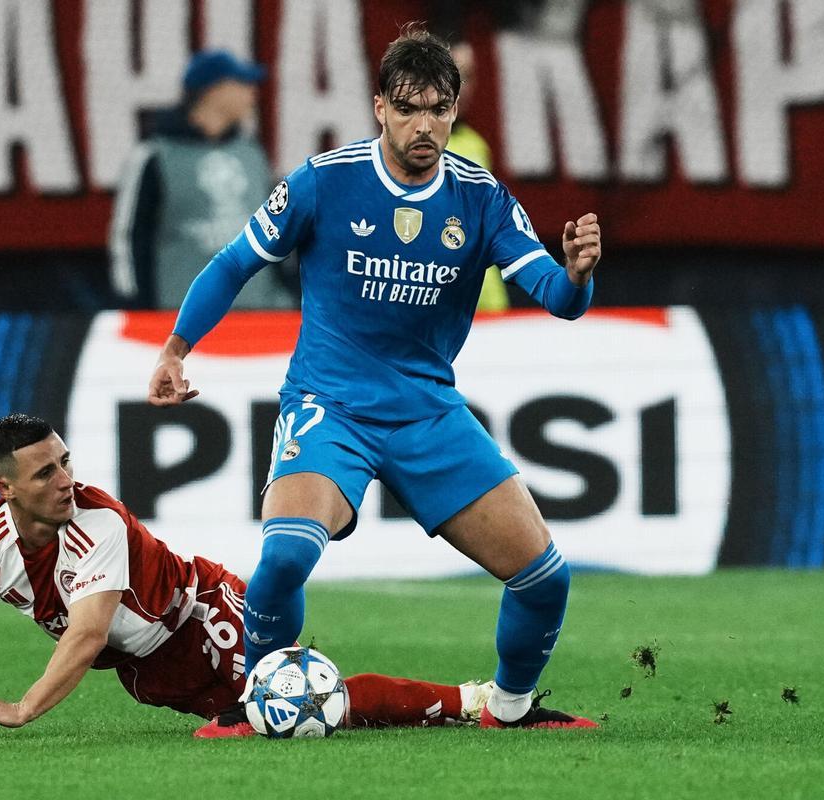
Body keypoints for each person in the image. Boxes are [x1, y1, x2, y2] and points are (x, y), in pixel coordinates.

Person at [148, 25, 602, 729]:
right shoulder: (325, 181)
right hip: (331, 407)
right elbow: (236, 261)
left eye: (440, 109)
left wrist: (575, 277)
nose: (426, 125)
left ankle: (509, 710)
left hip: (428, 415)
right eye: (410, 107)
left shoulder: (480, 197)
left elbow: (556, 297)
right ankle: (250, 710)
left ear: (455, 111)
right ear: (379, 107)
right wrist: (177, 348)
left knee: (544, 577)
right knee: (284, 561)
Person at [0, 413, 496, 740]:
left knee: (307, 706)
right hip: (147, 670)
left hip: (204, 610)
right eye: (45, 473)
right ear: (6, 490)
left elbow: (87, 634)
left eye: (65, 461)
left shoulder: (96, 521)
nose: (66, 479)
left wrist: (25, 708)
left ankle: (473, 701)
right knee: (265, 727)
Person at [108, 50, 297, 310]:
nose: (251, 93)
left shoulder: (252, 153)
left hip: (260, 318)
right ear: (213, 90)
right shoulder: (155, 156)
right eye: (241, 84)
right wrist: (137, 307)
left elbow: (280, 227)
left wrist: (292, 295)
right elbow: (129, 238)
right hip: (186, 323)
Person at [446, 41, 509, 312]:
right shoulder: (409, 149)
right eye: (455, 74)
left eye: (469, 76)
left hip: (488, 299)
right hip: (437, 300)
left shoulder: (477, 146)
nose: (464, 86)